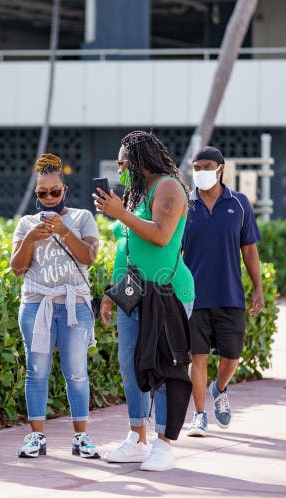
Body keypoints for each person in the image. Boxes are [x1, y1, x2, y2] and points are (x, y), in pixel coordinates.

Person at [94, 131, 195, 472]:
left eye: (123, 161)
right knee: (131, 364)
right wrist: (113, 294)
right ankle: (137, 438)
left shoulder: (168, 187)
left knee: (164, 367)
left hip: (168, 292)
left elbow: (161, 235)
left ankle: (163, 444)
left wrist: (120, 213)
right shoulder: (135, 194)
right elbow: (127, 248)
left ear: (139, 161)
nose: (120, 168)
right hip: (135, 293)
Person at [11, 154, 101, 459]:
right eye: (42, 193)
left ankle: (81, 438)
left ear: (65, 190)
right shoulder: (26, 224)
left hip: (74, 304)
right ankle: (36, 437)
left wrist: (64, 231)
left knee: (76, 372)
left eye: (55, 192)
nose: (48, 198)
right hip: (37, 305)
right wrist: (31, 240)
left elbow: (89, 256)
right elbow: (17, 268)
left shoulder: (82, 217)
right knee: (36, 372)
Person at [183, 146, 264, 438]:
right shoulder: (184, 205)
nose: (200, 172)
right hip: (193, 297)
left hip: (230, 295)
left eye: (206, 166)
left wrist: (258, 288)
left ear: (220, 169)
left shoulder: (239, 204)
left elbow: (250, 250)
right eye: (196, 167)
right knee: (198, 357)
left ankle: (220, 388)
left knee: (231, 358)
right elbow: (171, 250)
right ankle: (200, 415)